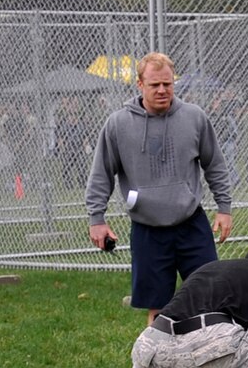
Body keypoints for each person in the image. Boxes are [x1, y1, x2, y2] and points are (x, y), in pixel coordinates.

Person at [86, 52, 234, 327]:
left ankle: (212, 359)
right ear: (140, 85)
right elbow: (101, 174)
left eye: (168, 84)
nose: (163, 90)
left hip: (191, 224)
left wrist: (224, 208)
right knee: (158, 307)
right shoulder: (118, 124)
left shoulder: (194, 118)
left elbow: (215, 164)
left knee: (211, 296)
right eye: (155, 85)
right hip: (148, 229)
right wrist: (97, 219)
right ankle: (154, 365)